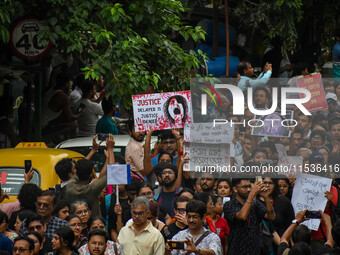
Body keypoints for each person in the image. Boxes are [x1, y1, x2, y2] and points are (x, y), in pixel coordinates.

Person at [65, 134, 115, 217]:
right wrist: (110, 149)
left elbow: (80, 166)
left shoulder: (70, 187)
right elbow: (112, 172)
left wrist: (93, 150)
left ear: (76, 173)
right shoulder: (92, 189)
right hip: (93, 225)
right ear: (91, 175)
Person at [223, 178, 275, 255]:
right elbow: (242, 216)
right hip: (236, 250)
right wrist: (251, 194)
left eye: (249, 187)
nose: (248, 189)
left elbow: (271, 217)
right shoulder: (229, 205)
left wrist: (266, 197)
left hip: (254, 250)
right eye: (244, 187)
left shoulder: (255, 203)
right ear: (235, 189)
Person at [41, 73, 83, 144]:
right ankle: (49, 137)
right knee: (73, 124)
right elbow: (70, 117)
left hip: (44, 122)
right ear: (66, 83)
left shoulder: (50, 90)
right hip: (44, 125)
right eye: (69, 82)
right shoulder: (62, 96)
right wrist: (80, 113)